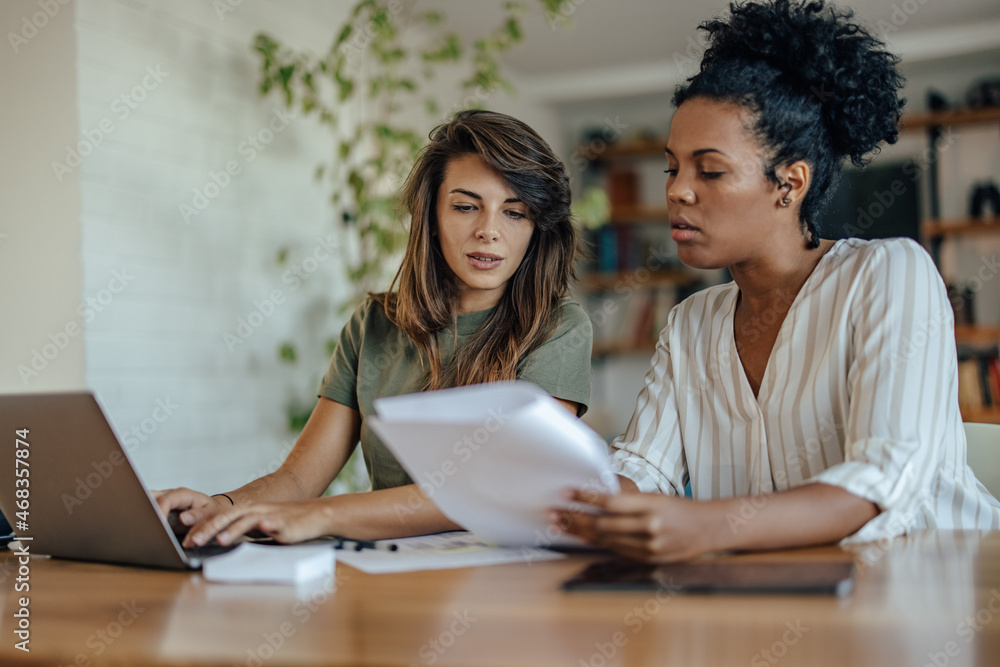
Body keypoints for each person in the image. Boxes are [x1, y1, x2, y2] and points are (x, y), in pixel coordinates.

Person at [552, 0, 1000, 562]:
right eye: (672, 167)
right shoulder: (692, 322)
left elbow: (878, 483)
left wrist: (704, 526)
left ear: (790, 184)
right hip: (777, 602)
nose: (677, 191)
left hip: (931, 591)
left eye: (709, 170)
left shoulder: (889, 274)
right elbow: (644, 465)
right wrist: (583, 501)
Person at [156, 109, 593, 546]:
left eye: (514, 213)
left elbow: (499, 490)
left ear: (537, 227)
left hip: (499, 581)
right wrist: (223, 507)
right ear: (432, 216)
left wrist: (322, 515)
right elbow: (298, 478)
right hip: (385, 567)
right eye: (465, 207)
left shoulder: (558, 329)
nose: (489, 231)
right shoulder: (374, 325)